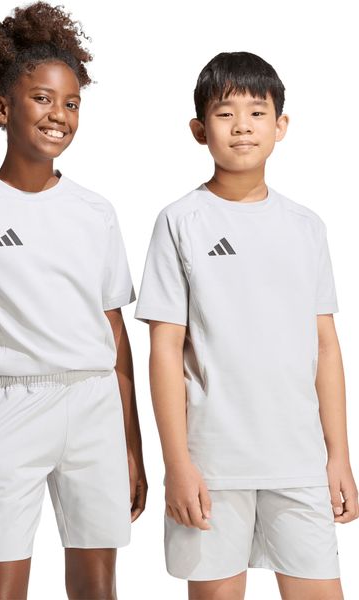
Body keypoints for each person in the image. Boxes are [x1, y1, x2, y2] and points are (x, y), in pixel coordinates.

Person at [0, 3, 147, 599]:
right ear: (2, 108)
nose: (59, 115)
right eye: (42, 99)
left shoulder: (96, 211)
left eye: (72, 103)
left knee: (97, 590)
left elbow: (114, 331)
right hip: (9, 407)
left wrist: (132, 443)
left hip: (93, 405)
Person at [134, 51, 358, 600]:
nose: (242, 126)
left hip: (298, 461)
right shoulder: (180, 222)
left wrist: (339, 456)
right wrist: (177, 464)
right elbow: (165, 350)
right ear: (199, 130)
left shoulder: (307, 226)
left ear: (280, 126)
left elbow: (326, 347)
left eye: (257, 112)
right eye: (225, 113)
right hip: (212, 464)